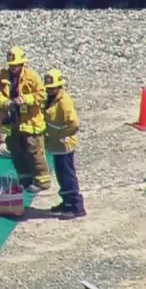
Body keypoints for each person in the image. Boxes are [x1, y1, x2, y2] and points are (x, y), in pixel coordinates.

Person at [0, 47, 51, 192]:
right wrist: (4, 102)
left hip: (30, 122)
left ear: (22, 64)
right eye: (11, 65)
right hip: (11, 123)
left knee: (34, 151)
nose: (13, 68)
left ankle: (42, 181)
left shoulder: (32, 77)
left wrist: (26, 99)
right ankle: (25, 179)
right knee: (16, 151)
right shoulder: (3, 78)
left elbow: (42, 95)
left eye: (16, 65)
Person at [42, 69, 86, 219]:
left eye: (52, 87)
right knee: (61, 175)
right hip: (56, 144)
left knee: (67, 174)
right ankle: (66, 202)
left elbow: (74, 124)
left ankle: (76, 205)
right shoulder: (51, 99)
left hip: (63, 144)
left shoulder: (64, 102)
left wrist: (62, 135)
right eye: (48, 88)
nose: (49, 90)